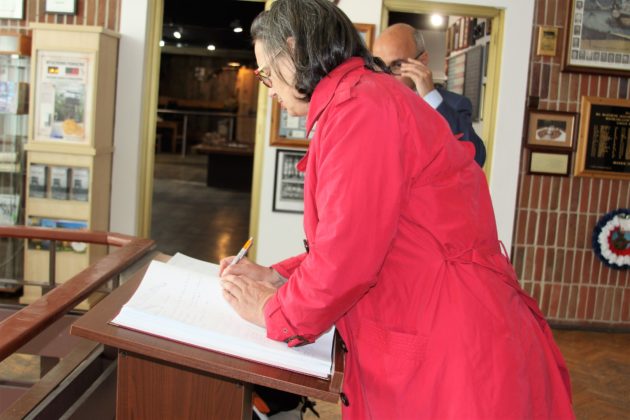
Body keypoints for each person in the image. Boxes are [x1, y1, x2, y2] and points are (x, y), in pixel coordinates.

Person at [219, 0, 574, 418]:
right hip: (443, 323)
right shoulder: (363, 98)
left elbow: (348, 259)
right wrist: (277, 276)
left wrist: (272, 311)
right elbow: (366, 237)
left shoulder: (359, 108)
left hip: (451, 345)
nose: (268, 87)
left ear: (295, 49)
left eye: (265, 73)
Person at [373, 23, 487, 166]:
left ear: (422, 60)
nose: (386, 76)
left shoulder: (454, 105)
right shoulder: (368, 105)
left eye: (397, 65)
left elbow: (476, 159)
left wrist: (431, 97)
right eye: (379, 66)